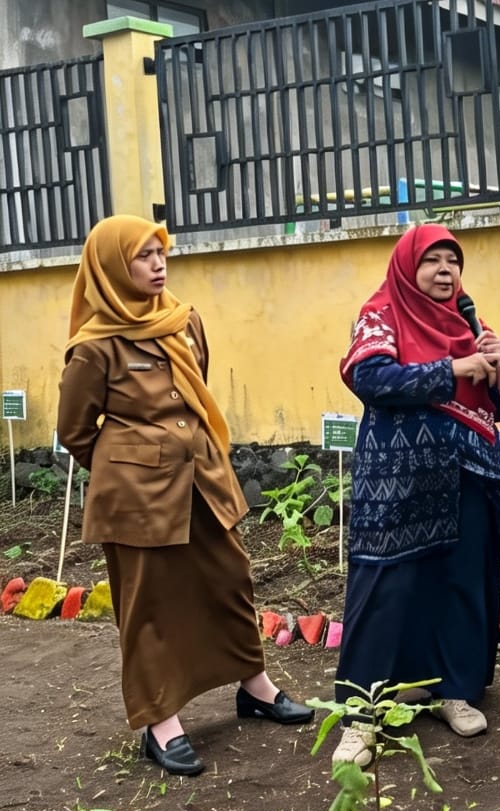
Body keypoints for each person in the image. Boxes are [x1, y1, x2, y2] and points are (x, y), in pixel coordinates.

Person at [58, 215, 313, 778]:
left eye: (161, 252)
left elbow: (195, 386)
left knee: (230, 578)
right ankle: (161, 721)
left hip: (202, 478)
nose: (158, 264)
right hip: (136, 497)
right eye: (143, 256)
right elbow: (76, 432)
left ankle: (255, 686)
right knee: (149, 604)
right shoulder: (94, 348)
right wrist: (133, 462)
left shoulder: (184, 321)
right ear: (110, 269)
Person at [332, 224, 500, 764]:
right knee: (386, 586)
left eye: (453, 262)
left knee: (461, 581)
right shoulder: (382, 313)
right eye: (433, 262)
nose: (445, 272)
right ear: (408, 267)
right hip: (397, 483)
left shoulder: (471, 322)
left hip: (467, 476)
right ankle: (362, 712)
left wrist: (499, 364)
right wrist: (453, 368)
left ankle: (454, 689)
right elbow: (371, 378)